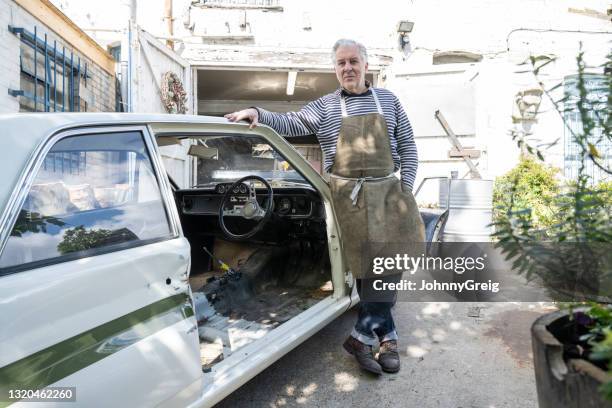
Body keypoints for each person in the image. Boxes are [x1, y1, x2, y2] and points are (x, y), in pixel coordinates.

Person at [225, 38, 425, 375]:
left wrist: (405, 190)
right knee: (364, 272)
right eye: (341, 63)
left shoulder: (388, 101)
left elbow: (408, 146)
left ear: (365, 64)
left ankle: (362, 337)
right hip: (348, 198)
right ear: (336, 69)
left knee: (391, 267)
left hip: (389, 195)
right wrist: (257, 113)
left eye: (353, 61)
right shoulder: (326, 107)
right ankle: (387, 340)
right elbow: (289, 123)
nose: (347, 68)